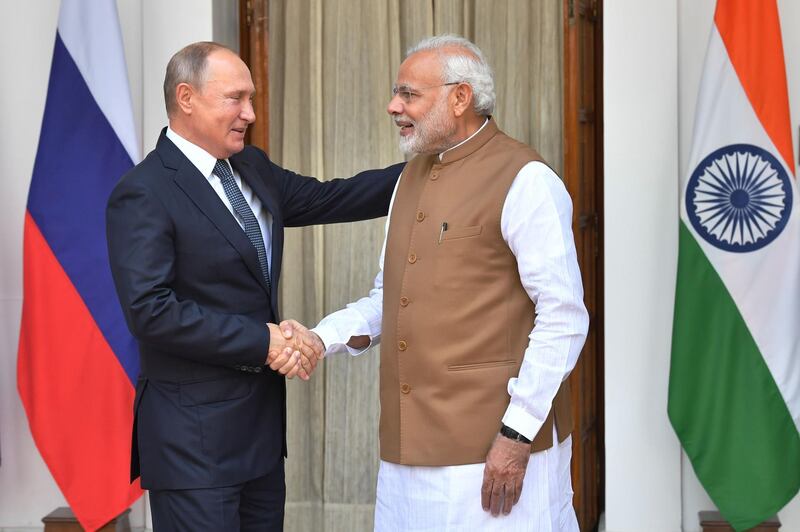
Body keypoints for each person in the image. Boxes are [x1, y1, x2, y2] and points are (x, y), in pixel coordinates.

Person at [294, 35, 589, 530]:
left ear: (460, 98)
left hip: (494, 453)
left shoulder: (527, 179)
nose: (393, 106)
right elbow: (388, 298)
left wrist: (516, 436)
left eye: (409, 94)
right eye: (396, 93)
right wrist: (320, 338)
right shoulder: (408, 179)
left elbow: (562, 315)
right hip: (407, 457)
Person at [105, 41, 402, 531]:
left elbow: (336, 197)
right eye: (235, 99)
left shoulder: (251, 166)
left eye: (252, 99)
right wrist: (265, 340)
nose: (250, 113)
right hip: (193, 450)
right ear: (186, 97)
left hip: (261, 446)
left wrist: (441, 167)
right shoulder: (143, 192)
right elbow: (151, 311)